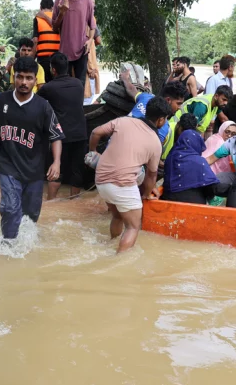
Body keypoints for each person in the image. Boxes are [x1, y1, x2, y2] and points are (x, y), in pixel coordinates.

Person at [0, 57, 65, 240]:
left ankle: (24, 249)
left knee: (31, 216)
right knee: (11, 208)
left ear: (36, 80)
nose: (24, 82)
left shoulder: (43, 107)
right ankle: (8, 245)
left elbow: (56, 135)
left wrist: (57, 163)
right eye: (20, 77)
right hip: (7, 166)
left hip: (34, 171)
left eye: (29, 78)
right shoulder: (1, 100)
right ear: (14, 77)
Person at [89, 97, 168, 253]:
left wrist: (93, 151)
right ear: (160, 120)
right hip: (122, 184)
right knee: (133, 226)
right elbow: (152, 175)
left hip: (101, 181)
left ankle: (111, 244)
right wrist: (146, 195)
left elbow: (95, 132)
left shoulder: (124, 121)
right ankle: (118, 261)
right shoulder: (155, 142)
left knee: (117, 216)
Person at [38, 52, 87, 200]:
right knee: (77, 170)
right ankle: (74, 202)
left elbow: (35, 104)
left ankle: (50, 202)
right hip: (81, 134)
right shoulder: (78, 83)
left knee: (55, 168)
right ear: (67, 67)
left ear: (53, 69)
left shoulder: (48, 88)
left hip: (59, 137)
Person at [162, 114, 219, 204]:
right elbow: (212, 188)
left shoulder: (171, 156)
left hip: (168, 201)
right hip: (195, 207)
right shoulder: (200, 163)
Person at [163, 85, 233, 159]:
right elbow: (191, 128)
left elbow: (223, 118)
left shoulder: (216, 104)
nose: (225, 103)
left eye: (227, 101)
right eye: (224, 99)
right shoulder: (202, 106)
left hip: (183, 129)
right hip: (176, 127)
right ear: (216, 96)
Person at [122, 70, 186, 143]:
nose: (180, 107)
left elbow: (131, 90)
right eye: (178, 103)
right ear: (168, 100)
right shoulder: (163, 127)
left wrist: (124, 78)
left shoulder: (146, 97)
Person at [52, 0, 96, 86]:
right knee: (64, 84)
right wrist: (62, 12)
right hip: (64, 51)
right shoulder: (59, 0)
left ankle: (79, 100)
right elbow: (54, 28)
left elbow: (92, 25)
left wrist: (90, 40)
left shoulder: (87, 0)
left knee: (80, 84)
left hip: (82, 49)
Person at [33, 0, 61, 81]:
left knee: (43, 81)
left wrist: (32, 58)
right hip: (57, 55)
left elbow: (35, 40)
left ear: (40, 7)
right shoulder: (58, 17)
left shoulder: (37, 18)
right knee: (56, 81)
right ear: (53, 7)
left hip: (43, 57)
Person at [85, 20, 102, 104]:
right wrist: (91, 45)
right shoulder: (91, 21)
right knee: (87, 97)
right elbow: (98, 40)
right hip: (89, 63)